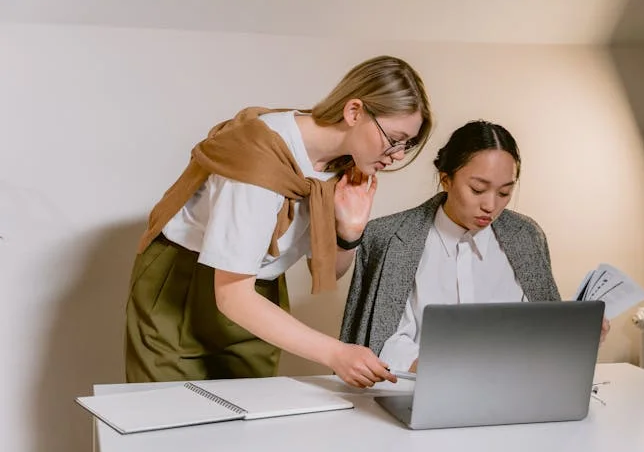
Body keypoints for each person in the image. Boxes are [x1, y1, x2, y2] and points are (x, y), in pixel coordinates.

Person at [125, 55, 433, 387]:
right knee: (170, 420)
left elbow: (330, 271)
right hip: (185, 285)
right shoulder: (259, 158)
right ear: (354, 112)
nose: (399, 154)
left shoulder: (344, 164)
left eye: (408, 144)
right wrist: (336, 354)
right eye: (395, 138)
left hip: (260, 291)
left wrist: (350, 231)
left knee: (249, 420)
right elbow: (231, 295)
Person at [340, 120, 610, 372]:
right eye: (478, 189)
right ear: (446, 179)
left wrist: (577, 335)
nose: (491, 206)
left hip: (514, 394)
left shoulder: (526, 237)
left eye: (505, 192)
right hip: (417, 392)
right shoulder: (389, 238)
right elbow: (381, 341)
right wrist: (444, 371)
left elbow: (539, 329)